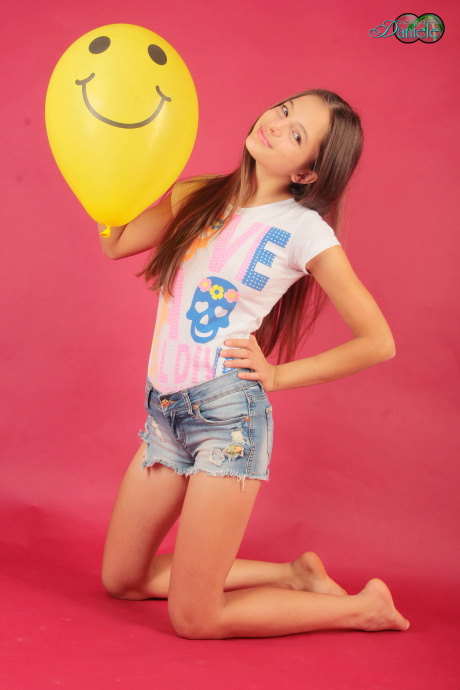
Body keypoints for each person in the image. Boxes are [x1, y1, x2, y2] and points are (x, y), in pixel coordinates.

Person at [97, 89, 409, 639]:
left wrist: (280, 375)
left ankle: (364, 608)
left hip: (227, 422)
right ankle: (294, 575)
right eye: (285, 111)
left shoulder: (302, 230)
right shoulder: (196, 194)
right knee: (122, 579)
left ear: (308, 173)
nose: (276, 124)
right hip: (164, 416)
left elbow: (377, 341)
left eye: (296, 134)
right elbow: (116, 242)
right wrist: (102, 167)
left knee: (195, 618)